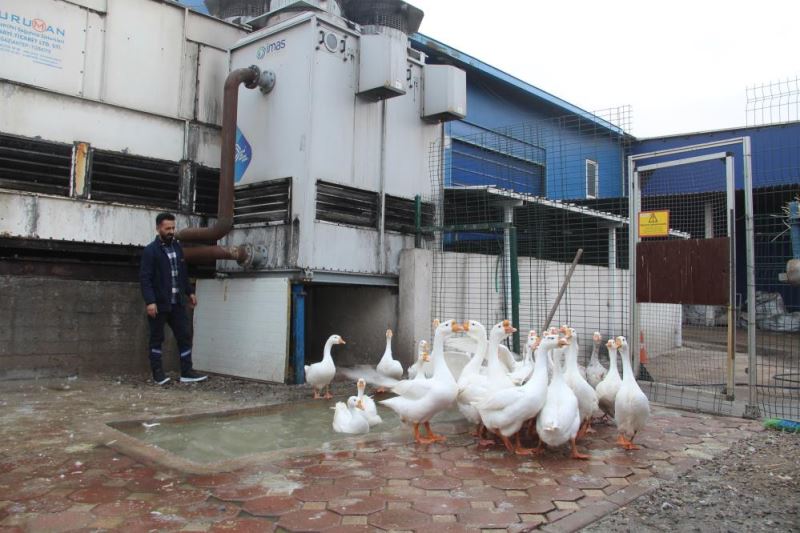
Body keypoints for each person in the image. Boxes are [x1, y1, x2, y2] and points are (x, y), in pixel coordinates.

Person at [139, 212, 207, 385]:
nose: (171, 231)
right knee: (157, 338)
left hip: (177, 302)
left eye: (173, 228)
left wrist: (190, 292)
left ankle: (187, 372)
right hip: (160, 303)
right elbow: (145, 278)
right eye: (167, 228)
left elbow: (182, 273)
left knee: (184, 335)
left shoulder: (177, 247)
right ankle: (158, 374)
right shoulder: (150, 251)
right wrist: (150, 301)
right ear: (158, 228)